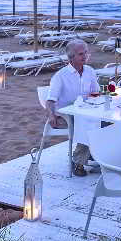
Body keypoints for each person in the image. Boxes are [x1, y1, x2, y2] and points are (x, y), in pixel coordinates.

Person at [46, 39, 99, 177]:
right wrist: (51, 115)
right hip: (66, 114)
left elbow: (96, 93)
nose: (85, 56)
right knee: (89, 123)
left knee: (111, 121)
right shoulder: (60, 76)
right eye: (81, 54)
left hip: (87, 111)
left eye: (86, 53)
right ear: (71, 57)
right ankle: (78, 161)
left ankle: (95, 154)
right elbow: (50, 100)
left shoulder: (90, 71)